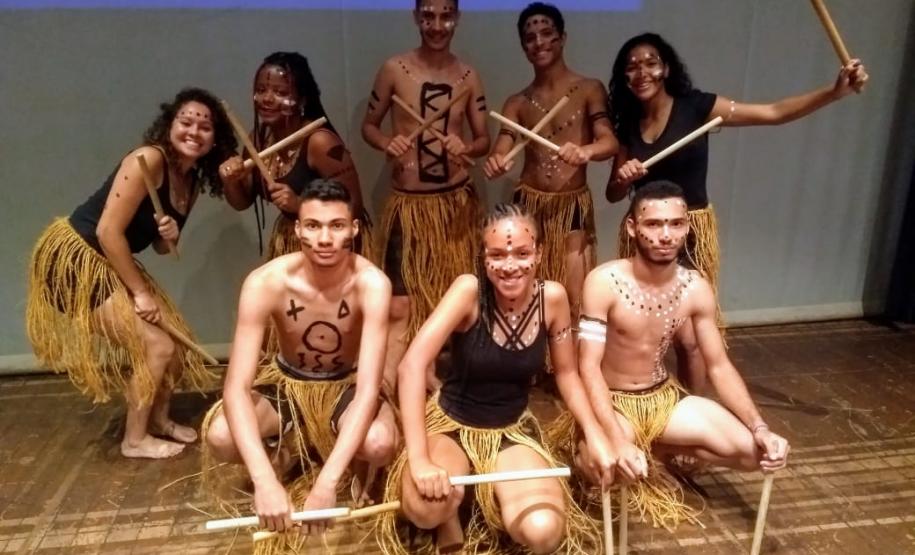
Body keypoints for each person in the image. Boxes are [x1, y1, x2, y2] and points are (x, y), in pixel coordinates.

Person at [605, 32, 868, 391]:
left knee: (691, 337)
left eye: (650, 63)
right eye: (631, 67)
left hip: (690, 232)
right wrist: (624, 177)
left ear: (665, 68)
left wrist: (833, 92)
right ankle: (638, 403)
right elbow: (613, 192)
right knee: (641, 330)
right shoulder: (626, 124)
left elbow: (772, 113)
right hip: (644, 235)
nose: (641, 72)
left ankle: (691, 412)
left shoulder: (697, 107)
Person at [552, 181, 790, 530]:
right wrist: (616, 440)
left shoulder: (695, 288)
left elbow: (719, 367)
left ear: (687, 227)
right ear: (633, 228)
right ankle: (622, 448)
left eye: (675, 223)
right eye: (653, 224)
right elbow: (587, 368)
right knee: (605, 467)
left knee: (757, 455)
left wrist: (761, 427)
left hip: (663, 399)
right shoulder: (603, 282)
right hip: (614, 403)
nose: (665, 235)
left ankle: (660, 448)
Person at [377, 204, 613, 554]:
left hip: (511, 428)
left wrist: (596, 436)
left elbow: (566, 373)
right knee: (426, 508)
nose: (510, 265)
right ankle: (451, 513)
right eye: (497, 255)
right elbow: (411, 367)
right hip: (452, 423)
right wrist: (420, 459)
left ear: (539, 253)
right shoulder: (468, 292)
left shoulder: (554, 298)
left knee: (543, 531)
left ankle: (484, 497)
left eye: (521, 253)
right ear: (483, 257)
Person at [26, 88, 237, 459]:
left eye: (205, 126)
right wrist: (140, 294)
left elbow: (157, 246)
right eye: (185, 121)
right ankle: (134, 440)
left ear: (215, 138)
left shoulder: (190, 183)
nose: (194, 131)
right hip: (76, 260)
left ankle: (158, 420)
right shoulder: (148, 159)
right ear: (169, 125)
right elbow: (108, 232)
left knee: (174, 349)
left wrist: (166, 236)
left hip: (107, 260)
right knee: (156, 345)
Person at [202, 180, 398, 546]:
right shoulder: (266, 283)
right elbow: (236, 387)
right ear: (297, 229)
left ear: (353, 229)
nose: (324, 238)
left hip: (346, 384)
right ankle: (286, 451)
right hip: (288, 383)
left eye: (336, 225)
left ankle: (355, 466)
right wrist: (263, 480)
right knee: (221, 436)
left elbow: (369, 388)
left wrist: (325, 486)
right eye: (313, 225)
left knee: (379, 443)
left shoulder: (372, 284)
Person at [362, 0, 490, 390]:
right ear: (416, 17)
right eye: (428, 15)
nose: (437, 25)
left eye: (445, 16)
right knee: (401, 302)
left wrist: (466, 148)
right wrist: (387, 142)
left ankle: (447, 381)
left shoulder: (468, 76)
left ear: (457, 18)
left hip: (455, 207)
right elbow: (370, 125)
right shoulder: (393, 70)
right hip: (409, 205)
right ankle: (394, 386)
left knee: (456, 299)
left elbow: (484, 139)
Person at [484, 2, 617, 319]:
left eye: (547, 33)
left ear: (562, 37)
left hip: (570, 204)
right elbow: (501, 148)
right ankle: (532, 360)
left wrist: (585, 151)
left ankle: (572, 362)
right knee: (526, 284)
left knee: (575, 287)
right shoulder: (517, 102)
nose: (539, 42)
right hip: (529, 202)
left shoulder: (588, 89)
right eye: (530, 37)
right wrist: (496, 162)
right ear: (523, 47)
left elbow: (609, 142)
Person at [219, 51, 372, 258]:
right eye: (261, 90)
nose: (267, 99)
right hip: (293, 241)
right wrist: (230, 181)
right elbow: (242, 202)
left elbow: (353, 207)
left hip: (333, 246)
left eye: (280, 92)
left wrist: (301, 204)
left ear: (301, 100)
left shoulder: (320, 143)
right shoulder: (257, 141)